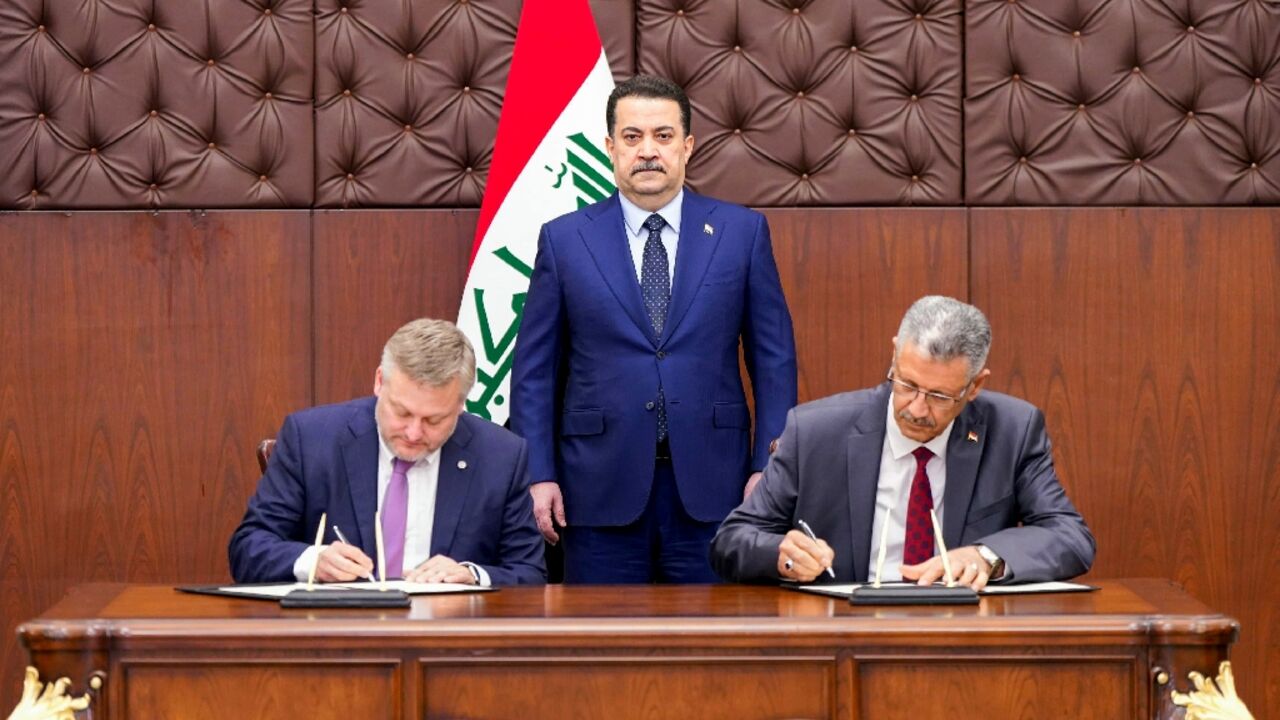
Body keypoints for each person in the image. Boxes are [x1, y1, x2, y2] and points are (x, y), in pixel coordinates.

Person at [510, 74, 797, 583]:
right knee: (602, 649)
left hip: (717, 488)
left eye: (663, 136)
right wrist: (539, 473)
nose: (648, 151)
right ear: (610, 148)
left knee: (712, 648)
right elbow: (534, 372)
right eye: (632, 137)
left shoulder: (742, 232)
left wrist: (768, 468)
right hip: (595, 488)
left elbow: (773, 361)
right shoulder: (564, 241)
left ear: (687, 146)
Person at [711, 296, 1095, 589]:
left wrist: (986, 556)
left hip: (961, 633)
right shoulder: (815, 431)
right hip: (846, 629)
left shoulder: (1013, 430)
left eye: (940, 396)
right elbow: (731, 541)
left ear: (975, 386)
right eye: (907, 384)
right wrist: (783, 557)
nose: (916, 408)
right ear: (895, 354)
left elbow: (1070, 537)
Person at [229, 319, 545, 586]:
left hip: (449, 640)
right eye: (402, 413)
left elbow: (530, 573)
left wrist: (472, 575)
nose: (413, 433)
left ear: (461, 404)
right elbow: (248, 548)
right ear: (380, 382)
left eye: (434, 420)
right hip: (339, 636)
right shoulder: (312, 439)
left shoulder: (501, 455)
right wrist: (313, 561)